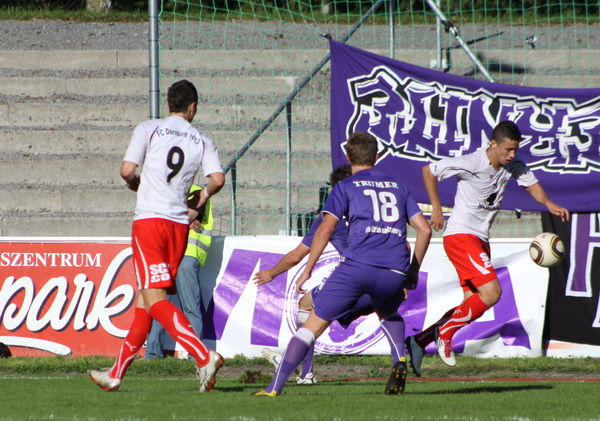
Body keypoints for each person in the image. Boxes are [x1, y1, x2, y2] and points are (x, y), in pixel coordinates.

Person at [254, 131, 432, 397]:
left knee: (312, 322)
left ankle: (276, 387)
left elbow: (325, 230)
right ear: (377, 156)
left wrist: (307, 271)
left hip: (357, 269)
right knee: (386, 310)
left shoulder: (345, 187)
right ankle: (399, 359)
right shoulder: (399, 187)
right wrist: (411, 272)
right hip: (393, 271)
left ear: (348, 157)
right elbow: (424, 230)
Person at [88, 79, 226, 393]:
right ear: (193, 107)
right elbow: (217, 179)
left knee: (155, 300)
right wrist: (202, 196)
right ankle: (116, 374)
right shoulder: (202, 140)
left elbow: (126, 170)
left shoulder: (149, 128)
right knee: (146, 302)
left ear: (168, 104)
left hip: (150, 222)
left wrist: (134, 184)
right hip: (178, 228)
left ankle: (203, 356)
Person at [405, 120, 570, 376]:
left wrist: (549, 204)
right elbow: (429, 171)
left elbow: (531, 184)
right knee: (492, 293)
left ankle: (419, 340)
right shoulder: (473, 162)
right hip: (461, 235)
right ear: (493, 144)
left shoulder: (513, 163)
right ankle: (445, 333)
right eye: (508, 149)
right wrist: (436, 208)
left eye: (515, 149)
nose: (512, 155)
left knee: (471, 303)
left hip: (480, 239)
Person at [254, 165, 375, 385]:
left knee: (307, 307)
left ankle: (305, 372)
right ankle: (402, 360)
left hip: (353, 278)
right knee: (389, 315)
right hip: (385, 277)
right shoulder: (373, 214)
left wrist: (271, 273)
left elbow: (296, 256)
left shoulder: (330, 218)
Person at [145, 184, 214, 359]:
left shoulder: (193, 192)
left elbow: (183, 217)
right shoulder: (174, 190)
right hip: (172, 255)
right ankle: (192, 355)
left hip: (184, 254)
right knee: (169, 306)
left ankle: (155, 354)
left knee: (168, 306)